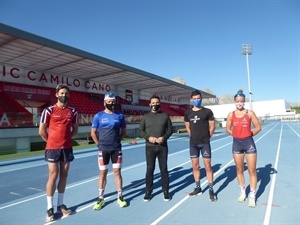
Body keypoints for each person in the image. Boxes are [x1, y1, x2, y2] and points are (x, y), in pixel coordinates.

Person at [39, 84, 78, 222]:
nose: (64, 95)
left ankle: (60, 205)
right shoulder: (48, 110)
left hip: (67, 148)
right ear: (56, 94)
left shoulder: (73, 111)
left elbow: (75, 130)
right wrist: (51, 142)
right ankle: (49, 209)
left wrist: (66, 140)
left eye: (66, 93)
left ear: (69, 95)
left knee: (64, 175)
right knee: (53, 175)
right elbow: (42, 131)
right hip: (52, 149)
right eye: (61, 93)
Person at [90, 92, 127, 210]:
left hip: (116, 149)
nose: (111, 103)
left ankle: (120, 196)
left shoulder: (120, 116)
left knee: (117, 172)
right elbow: (93, 133)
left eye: (112, 101)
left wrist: (118, 141)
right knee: (103, 174)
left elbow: (124, 132)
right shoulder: (98, 116)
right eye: (109, 101)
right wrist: (99, 144)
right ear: (104, 102)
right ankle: (100, 198)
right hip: (103, 149)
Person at [225, 89, 261, 207]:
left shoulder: (249, 113)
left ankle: (252, 194)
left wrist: (249, 135)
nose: (239, 103)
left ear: (244, 101)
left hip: (249, 143)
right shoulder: (231, 115)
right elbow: (227, 129)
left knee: (252, 171)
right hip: (237, 144)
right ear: (234, 101)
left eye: (241, 101)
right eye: (237, 101)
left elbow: (258, 127)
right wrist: (235, 135)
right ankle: (242, 192)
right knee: (239, 170)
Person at [184, 90, 217, 201]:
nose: (196, 100)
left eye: (198, 98)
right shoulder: (188, 113)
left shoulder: (207, 111)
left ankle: (211, 190)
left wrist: (207, 137)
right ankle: (198, 188)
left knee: (208, 166)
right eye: (194, 98)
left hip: (205, 144)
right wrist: (192, 136)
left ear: (201, 99)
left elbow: (212, 127)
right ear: (191, 99)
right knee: (195, 166)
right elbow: (187, 127)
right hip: (193, 144)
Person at [139, 95, 173, 201]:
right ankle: (148, 191)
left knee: (164, 170)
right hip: (150, 148)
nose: (155, 105)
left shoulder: (165, 116)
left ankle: (166, 191)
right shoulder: (145, 117)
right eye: (153, 103)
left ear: (160, 103)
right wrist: (149, 138)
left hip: (162, 147)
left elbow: (170, 129)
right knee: (150, 170)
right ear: (150, 104)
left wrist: (164, 137)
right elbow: (141, 131)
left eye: (157, 103)